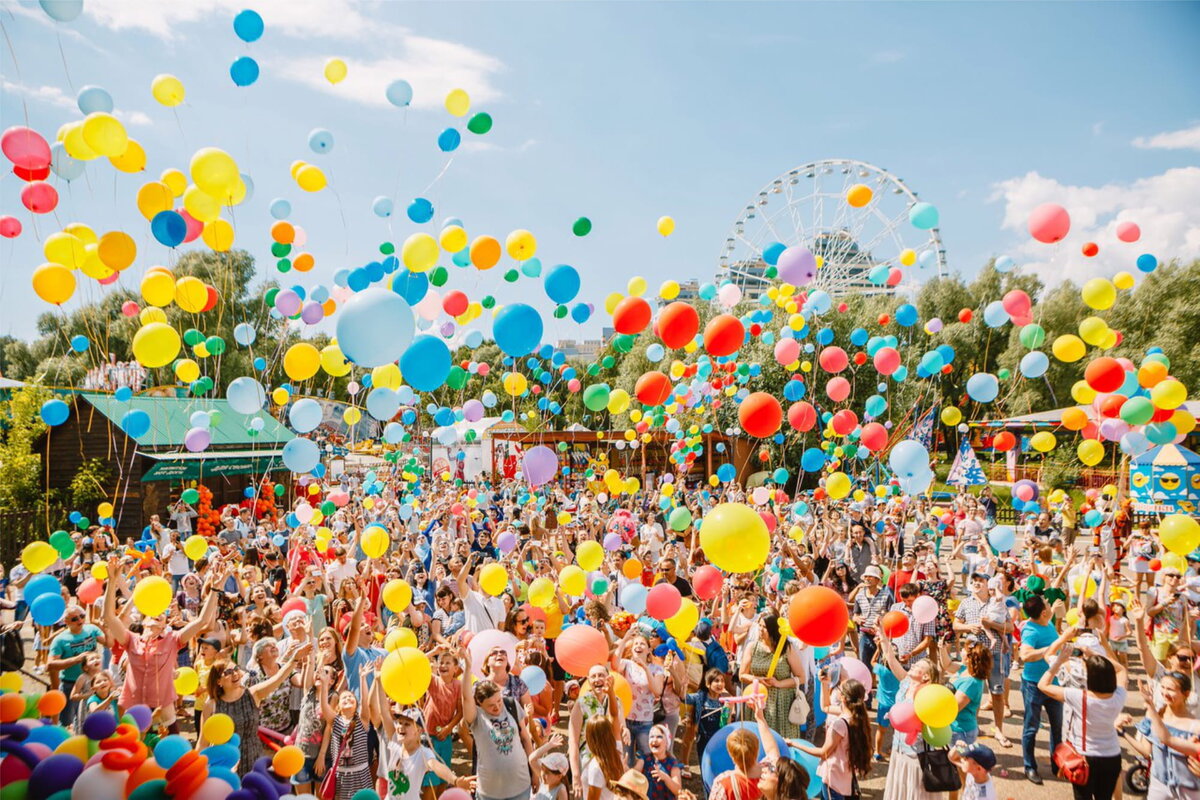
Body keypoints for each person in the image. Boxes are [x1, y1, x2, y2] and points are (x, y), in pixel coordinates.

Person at [201, 643, 309, 775]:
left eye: (236, 669)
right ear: (219, 681)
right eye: (228, 672)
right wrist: (198, 770)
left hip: (254, 758)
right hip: (225, 762)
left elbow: (278, 678)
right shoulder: (211, 705)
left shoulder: (253, 694)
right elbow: (203, 742)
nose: (235, 674)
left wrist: (294, 659)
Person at [1038, 644, 1127, 800]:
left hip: (1085, 758)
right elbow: (1122, 670)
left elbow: (1043, 685)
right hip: (1112, 755)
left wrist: (1059, 661)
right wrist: (1095, 655)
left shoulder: (1078, 696)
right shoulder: (1118, 696)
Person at [461, 646, 534, 800]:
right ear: (479, 703)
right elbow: (466, 698)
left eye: (499, 701)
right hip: (489, 792)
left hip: (521, 787)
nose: (497, 707)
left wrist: (535, 772)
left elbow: (526, 739)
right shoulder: (476, 717)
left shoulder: (512, 704)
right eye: (491, 705)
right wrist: (467, 667)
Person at [1017, 594, 1071, 785]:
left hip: (1053, 684)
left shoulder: (1046, 622)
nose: (1048, 603)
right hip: (1033, 685)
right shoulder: (1031, 631)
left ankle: (1057, 763)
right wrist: (1052, 648)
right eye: (1047, 604)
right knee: (1031, 728)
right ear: (1042, 612)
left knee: (1058, 728)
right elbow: (1025, 655)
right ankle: (1030, 766)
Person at [792, 677, 872, 800]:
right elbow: (826, 707)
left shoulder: (840, 724)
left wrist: (794, 744)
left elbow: (823, 752)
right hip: (845, 778)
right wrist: (824, 683)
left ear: (843, 698)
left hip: (834, 779)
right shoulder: (856, 716)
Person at [1137, 674, 1200, 800]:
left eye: (1170, 689)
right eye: (1163, 688)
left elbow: (1166, 739)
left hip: (1189, 788)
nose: (1165, 693)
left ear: (1186, 694)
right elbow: (1146, 751)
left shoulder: (1196, 726)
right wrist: (1122, 733)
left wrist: (1150, 705)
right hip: (1158, 784)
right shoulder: (1154, 717)